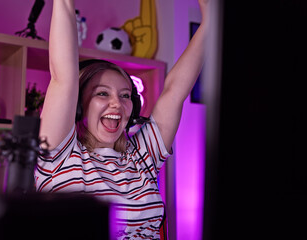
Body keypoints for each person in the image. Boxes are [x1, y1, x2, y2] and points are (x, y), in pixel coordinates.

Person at [35, 0, 208, 239]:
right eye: (102, 93)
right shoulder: (59, 154)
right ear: (77, 106)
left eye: (125, 95)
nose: (117, 103)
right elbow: (63, 78)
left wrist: (209, 21)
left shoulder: (142, 157)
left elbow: (175, 91)